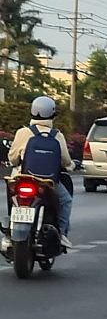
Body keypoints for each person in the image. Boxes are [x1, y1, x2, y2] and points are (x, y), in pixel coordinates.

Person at [6, 96, 74, 248]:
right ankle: (62, 233)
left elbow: (12, 158)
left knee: (13, 197)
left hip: (21, 178)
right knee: (66, 201)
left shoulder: (22, 132)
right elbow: (66, 162)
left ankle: (11, 227)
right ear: (52, 114)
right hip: (48, 182)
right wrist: (71, 166)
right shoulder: (57, 135)